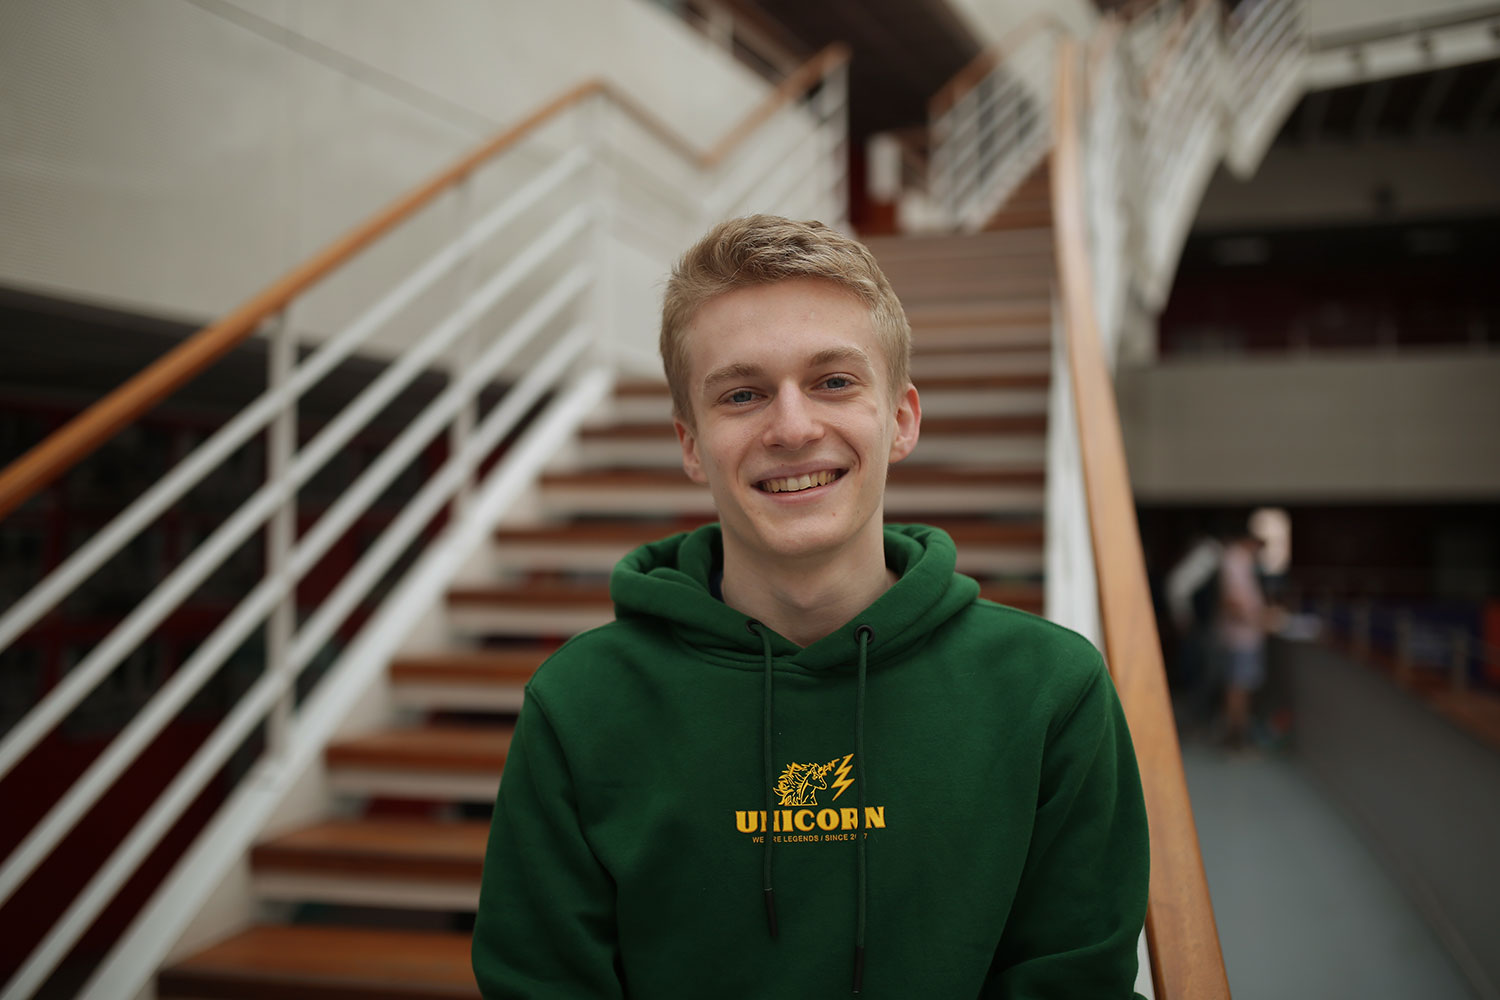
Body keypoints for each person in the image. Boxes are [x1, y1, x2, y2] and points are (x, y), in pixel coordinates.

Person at [472, 216, 1149, 998]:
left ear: (900, 419)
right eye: (743, 393)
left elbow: (1074, 984)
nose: (792, 427)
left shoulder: (1049, 690)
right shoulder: (580, 705)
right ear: (691, 445)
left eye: (833, 381)